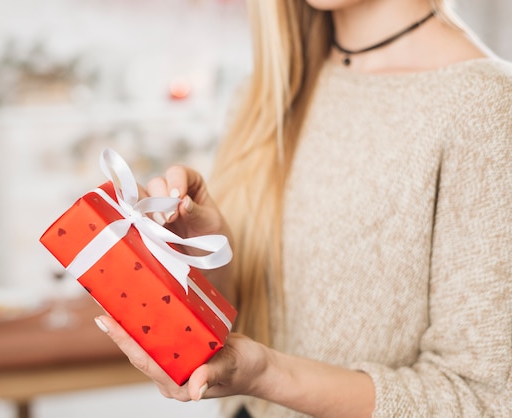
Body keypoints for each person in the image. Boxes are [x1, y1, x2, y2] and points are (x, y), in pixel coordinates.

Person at [94, 0, 512, 416]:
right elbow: (255, 317)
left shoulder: (484, 105)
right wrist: (205, 258)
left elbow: (482, 399)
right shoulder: (262, 95)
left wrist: (268, 375)